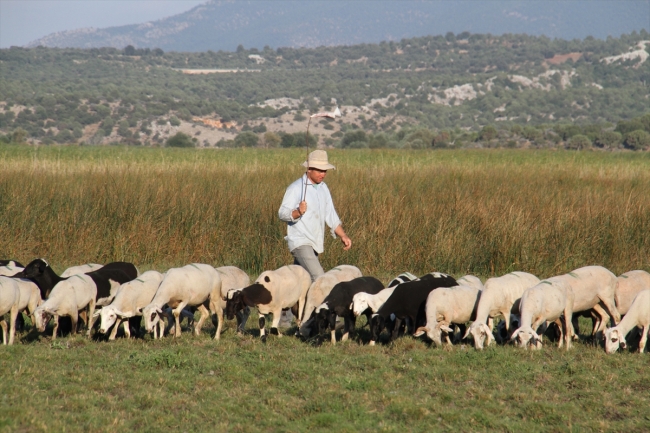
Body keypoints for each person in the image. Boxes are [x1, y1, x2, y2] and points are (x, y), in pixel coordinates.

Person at [278, 149, 352, 283]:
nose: (323, 174)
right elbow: (282, 213)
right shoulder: (295, 188)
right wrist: (297, 212)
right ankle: (325, 304)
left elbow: (331, 215)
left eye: (325, 171)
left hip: (315, 243)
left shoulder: (324, 188)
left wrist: (343, 235)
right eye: (319, 170)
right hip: (300, 241)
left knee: (298, 282)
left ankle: (289, 303)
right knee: (319, 278)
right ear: (309, 169)